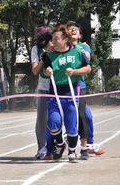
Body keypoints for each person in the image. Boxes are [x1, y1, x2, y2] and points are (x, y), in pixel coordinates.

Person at [42, 24, 91, 162]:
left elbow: (88, 68)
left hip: (71, 92)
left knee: (71, 125)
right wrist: (47, 71)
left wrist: (74, 72)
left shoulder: (77, 52)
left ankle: (71, 151)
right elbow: (45, 71)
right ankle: (60, 143)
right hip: (55, 93)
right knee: (53, 122)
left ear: (65, 39)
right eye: (53, 39)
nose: (53, 42)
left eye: (56, 38)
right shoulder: (49, 56)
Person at [67, 21, 104, 158]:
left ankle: (86, 145)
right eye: (71, 29)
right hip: (64, 88)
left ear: (80, 34)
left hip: (79, 87)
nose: (74, 30)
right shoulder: (64, 48)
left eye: (76, 29)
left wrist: (79, 49)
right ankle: (60, 145)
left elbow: (88, 59)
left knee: (85, 116)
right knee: (69, 117)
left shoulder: (83, 46)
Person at [31, 29, 54, 160]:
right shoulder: (36, 49)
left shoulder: (57, 45)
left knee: (55, 118)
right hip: (43, 87)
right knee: (41, 119)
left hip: (59, 86)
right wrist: (42, 58)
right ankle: (42, 147)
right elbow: (34, 71)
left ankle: (56, 145)